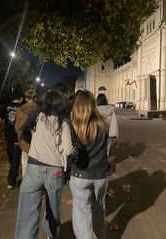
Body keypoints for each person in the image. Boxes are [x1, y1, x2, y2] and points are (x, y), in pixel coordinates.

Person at [14, 90, 73, 239]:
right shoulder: (63, 122)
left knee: (27, 211)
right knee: (53, 209)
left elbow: (26, 134)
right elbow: (68, 149)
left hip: (34, 167)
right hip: (55, 170)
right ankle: (51, 235)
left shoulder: (37, 117)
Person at [70, 90, 110, 239]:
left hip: (80, 175)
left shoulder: (73, 124)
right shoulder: (103, 123)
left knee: (82, 214)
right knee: (99, 210)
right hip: (100, 175)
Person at [0, 91, 23, 189]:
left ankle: (11, 179)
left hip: (8, 138)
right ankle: (12, 180)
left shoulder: (5, 107)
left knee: (12, 159)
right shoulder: (23, 108)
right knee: (14, 161)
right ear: (20, 98)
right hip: (17, 138)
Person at [15, 89, 37, 176]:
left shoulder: (20, 110)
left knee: (24, 161)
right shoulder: (40, 109)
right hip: (36, 141)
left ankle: (25, 181)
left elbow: (17, 127)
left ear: (26, 98)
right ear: (35, 98)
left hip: (24, 140)